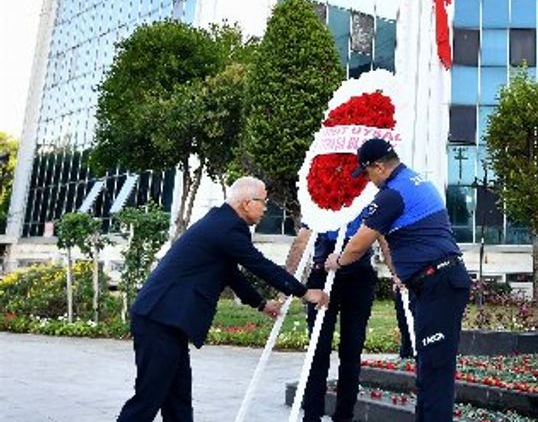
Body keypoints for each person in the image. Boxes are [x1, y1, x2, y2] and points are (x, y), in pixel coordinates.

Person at [118, 176, 328, 422]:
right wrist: (304, 292)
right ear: (246, 203)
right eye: (263, 202)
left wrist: (261, 304)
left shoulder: (222, 223)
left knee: (177, 400)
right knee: (148, 398)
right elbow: (259, 265)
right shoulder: (227, 227)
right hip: (160, 319)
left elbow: (230, 273)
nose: (265, 208)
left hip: (166, 319)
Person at [325, 138, 469, 422]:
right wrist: (400, 273)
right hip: (437, 281)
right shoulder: (416, 181)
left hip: (437, 283)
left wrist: (337, 261)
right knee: (429, 367)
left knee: (435, 370)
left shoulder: (392, 194)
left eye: (367, 173)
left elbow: (359, 244)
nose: (368, 180)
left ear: (379, 167)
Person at [286, 216, 383, 422]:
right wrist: (286, 285)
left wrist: (398, 273)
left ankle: (343, 416)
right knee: (318, 349)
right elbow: (302, 240)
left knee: (350, 351)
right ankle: (312, 416)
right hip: (324, 274)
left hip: (358, 276)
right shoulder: (321, 203)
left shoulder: (368, 201)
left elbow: (382, 236)